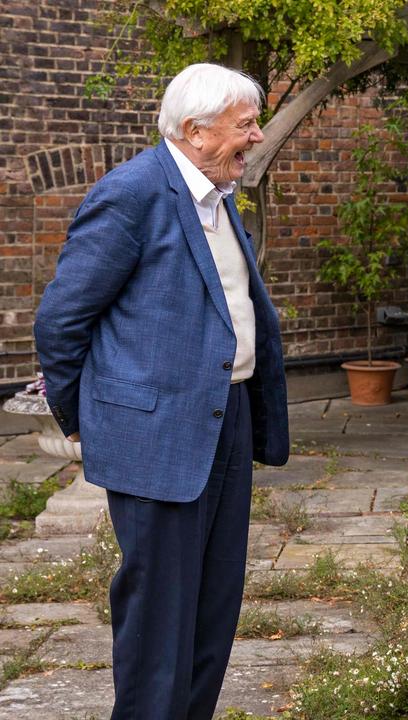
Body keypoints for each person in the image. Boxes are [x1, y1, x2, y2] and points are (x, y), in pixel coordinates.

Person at [33, 63, 290, 719]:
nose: (256, 136)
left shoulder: (216, 195)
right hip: (155, 434)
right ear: (195, 131)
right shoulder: (133, 195)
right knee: (159, 615)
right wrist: (86, 419)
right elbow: (62, 322)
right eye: (244, 125)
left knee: (212, 605)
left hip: (224, 418)